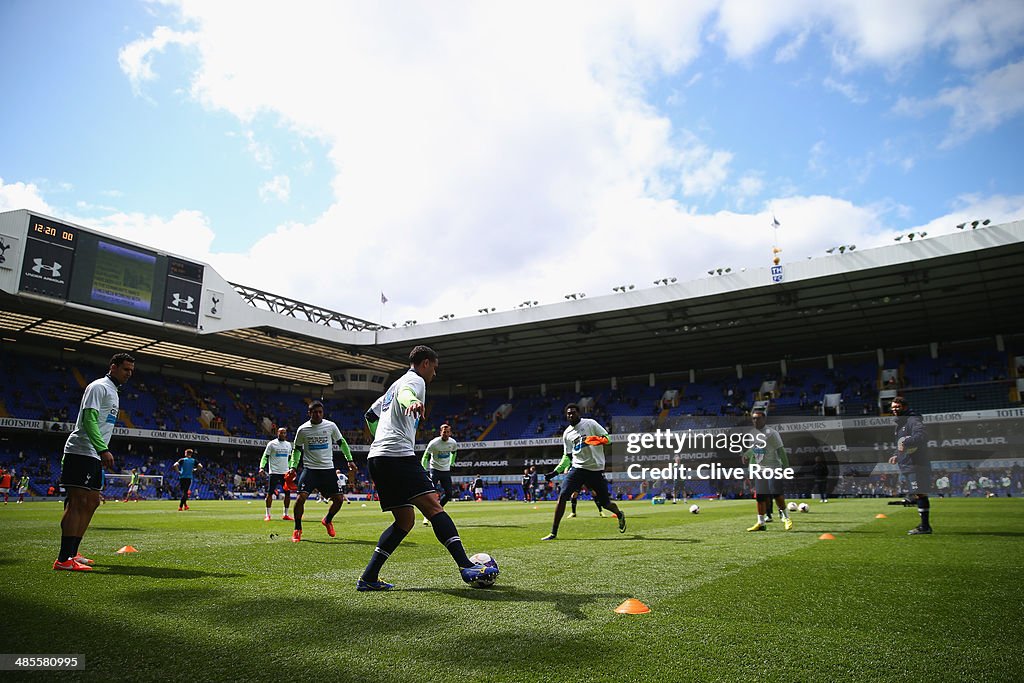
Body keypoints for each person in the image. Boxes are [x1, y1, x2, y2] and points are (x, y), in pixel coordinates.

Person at [357, 345, 497, 591]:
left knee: (405, 520)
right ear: (425, 363)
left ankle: (368, 578)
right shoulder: (415, 381)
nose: (435, 373)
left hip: (377, 457)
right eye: (435, 367)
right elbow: (408, 394)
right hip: (397, 455)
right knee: (434, 506)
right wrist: (412, 402)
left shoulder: (393, 386)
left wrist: (380, 437)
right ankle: (466, 565)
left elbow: (370, 414)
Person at [53, 352, 135, 571]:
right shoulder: (98, 387)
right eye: (126, 369)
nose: (129, 374)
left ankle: (73, 553)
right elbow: (89, 419)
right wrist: (102, 449)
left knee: (92, 502)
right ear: (113, 367)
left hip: (93, 455)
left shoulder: (114, 392)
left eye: (131, 371)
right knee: (77, 502)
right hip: (81, 451)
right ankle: (63, 559)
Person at [540, 403, 626, 540]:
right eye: (568, 413)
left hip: (595, 470)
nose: (570, 415)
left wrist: (596, 440)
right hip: (578, 468)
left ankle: (620, 514)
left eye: (573, 412)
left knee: (605, 503)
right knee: (562, 496)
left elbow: (608, 439)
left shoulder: (590, 423)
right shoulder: (567, 433)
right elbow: (567, 456)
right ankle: (553, 532)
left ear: (579, 413)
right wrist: (555, 472)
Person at [287, 401, 356, 542]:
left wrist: (349, 459)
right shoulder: (303, 429)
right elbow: (297, 449)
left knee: (339, 500)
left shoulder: (331, 426)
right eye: (314, 412)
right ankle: (297, 529)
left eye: (320, 412)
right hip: (310, 469)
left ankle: (327, 520)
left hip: (328, 469)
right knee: (300, 499)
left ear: (323, 413)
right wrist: (293, 466)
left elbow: (341, 442)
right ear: (309, 413)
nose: (317, 414)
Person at [887, 396, 933, 534]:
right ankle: (923, 524)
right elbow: (901, 443)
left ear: (905, 407)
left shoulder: (913, 420)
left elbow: (922, 436)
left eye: (897, 407)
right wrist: (896, 454)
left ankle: (925, 527)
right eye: (893, 407)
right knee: (918, 494)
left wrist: (906, 442)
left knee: (920, 494)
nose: (894, 409)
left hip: (916, 464)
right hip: (908, 464)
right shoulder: (901, 424)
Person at [743, 408, 793, 532]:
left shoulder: (771, 433)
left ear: (764, 419)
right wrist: (747, 455)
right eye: (753, 418)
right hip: (760, 469)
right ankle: (761, 523)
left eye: (758, 418)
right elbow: (757, 450)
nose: (755, 420)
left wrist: (786, 469)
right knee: (760, 497)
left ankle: (786, 518)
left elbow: (781, 451)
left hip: (774, 467)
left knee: (776, 493)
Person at [420, 423, 458, 525]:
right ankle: (426, 516)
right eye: (444, 432)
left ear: (450, 433)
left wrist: (452, 462)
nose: (446, 434)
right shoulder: (434, 443)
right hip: (434, 470)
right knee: (430, 493)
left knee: (449, 494)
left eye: (448, 432)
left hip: (445, 471)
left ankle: (437, 509)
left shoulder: (453, 442)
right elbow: (425, 456)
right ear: (440, 432)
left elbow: (454, 452)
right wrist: (424, 469)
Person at [259, 427, 294, 521]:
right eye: (280, 433)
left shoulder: (288, 445)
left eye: (284, 433)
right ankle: (268, 515)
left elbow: (290, 458)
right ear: (277, 433)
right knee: (270, 493)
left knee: (287, 493)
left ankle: (285, 514)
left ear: (286, 434)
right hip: (274, 472)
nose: (282, 434)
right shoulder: (271, 444)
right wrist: (262, 467)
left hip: (285, 473)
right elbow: (265, 457)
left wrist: (291, 468)